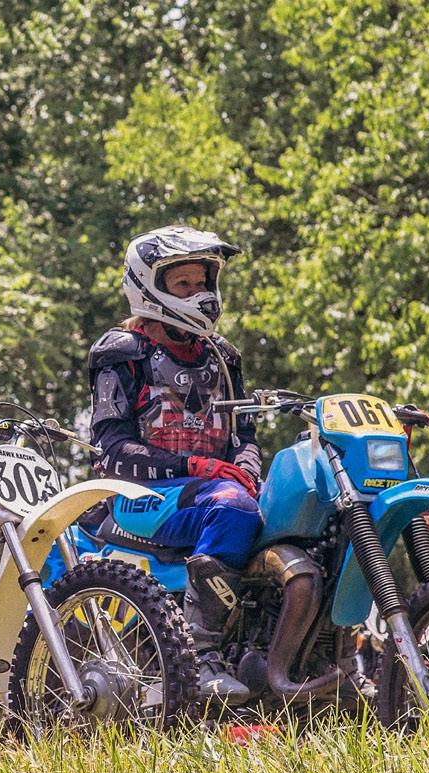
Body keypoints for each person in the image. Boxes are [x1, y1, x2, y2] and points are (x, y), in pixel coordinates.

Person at [84, 225, 261, 706]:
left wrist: (247, 469)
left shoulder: (224, 356)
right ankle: (201, 656)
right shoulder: (123, 351)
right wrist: (199, 466)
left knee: (301, 508)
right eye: (184, 283)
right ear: (149, 284)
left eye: (203, 281)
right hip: (137, 498)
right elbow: (112, 448)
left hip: (212, 490)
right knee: (233, 507)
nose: (199, 293)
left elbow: (244, 437)